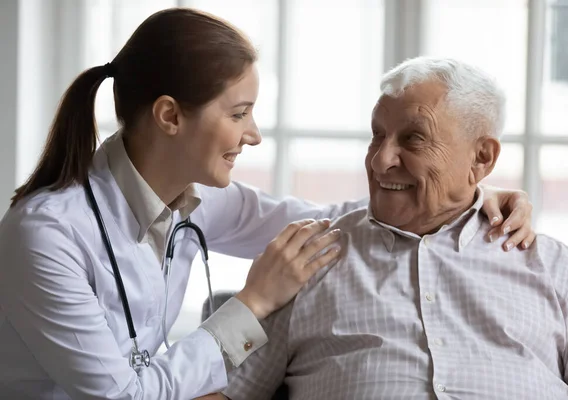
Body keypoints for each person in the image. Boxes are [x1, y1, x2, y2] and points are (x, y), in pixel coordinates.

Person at [0, 9, 535, 400]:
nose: (253, 135)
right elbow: (125, 397)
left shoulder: (196, 200)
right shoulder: (46, 236)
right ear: (169, 116)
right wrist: (254, 303)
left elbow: (335, 218)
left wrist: (470, 194)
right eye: (238, 114)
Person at [209, 57, 568, 400]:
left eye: (414, 138)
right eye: (377, 135)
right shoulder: (305, 261)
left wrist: (470, 194)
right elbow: (217, 390)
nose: (380, 161)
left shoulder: (556, 270)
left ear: (482, 157)